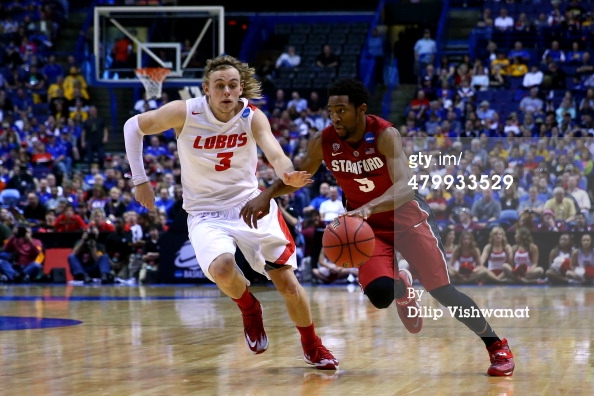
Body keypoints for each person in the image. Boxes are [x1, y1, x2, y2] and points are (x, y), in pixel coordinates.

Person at [240, 78, 515, 377]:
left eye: (342, 110)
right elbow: (299, 174)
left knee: (443, 291)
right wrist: (266, 195)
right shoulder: (323, 141)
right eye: (331, 110)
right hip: (366, 229)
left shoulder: (385, 134)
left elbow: (407, 186)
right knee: (380, 295)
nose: (335, 116)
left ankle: (496, 345)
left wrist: (369, 206)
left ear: (361, 110)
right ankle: (402, 289)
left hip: (406, 220)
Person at [123, 54, 338, 370]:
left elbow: (274, 152)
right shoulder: (186, 111)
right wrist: (140, 180)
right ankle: (250, 308)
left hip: (251, 205)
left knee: (288, 284)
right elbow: (133, 126)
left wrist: (288, 173)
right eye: (219, 85)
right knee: (223, 268)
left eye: (233, 86)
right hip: (205, 211)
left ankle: (312, 345)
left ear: (241, 89)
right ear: (206, 89)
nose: (226, 92)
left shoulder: (253, 116)